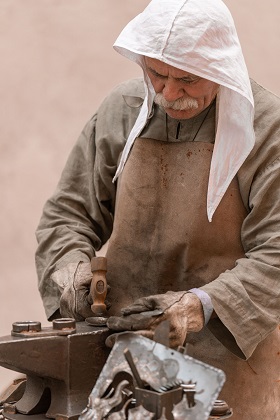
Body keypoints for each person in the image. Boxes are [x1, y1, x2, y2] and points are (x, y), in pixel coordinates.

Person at [35, 0, 280, 418]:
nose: (168, 94)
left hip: (228, 363)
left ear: (221, 69)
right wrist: (67, 265)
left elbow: (275, 254)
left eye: (187, 80)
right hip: (121, 354)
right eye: (156, 74)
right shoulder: (122, 109)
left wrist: (199, 305)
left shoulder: (266, 129)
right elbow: (68, 215)